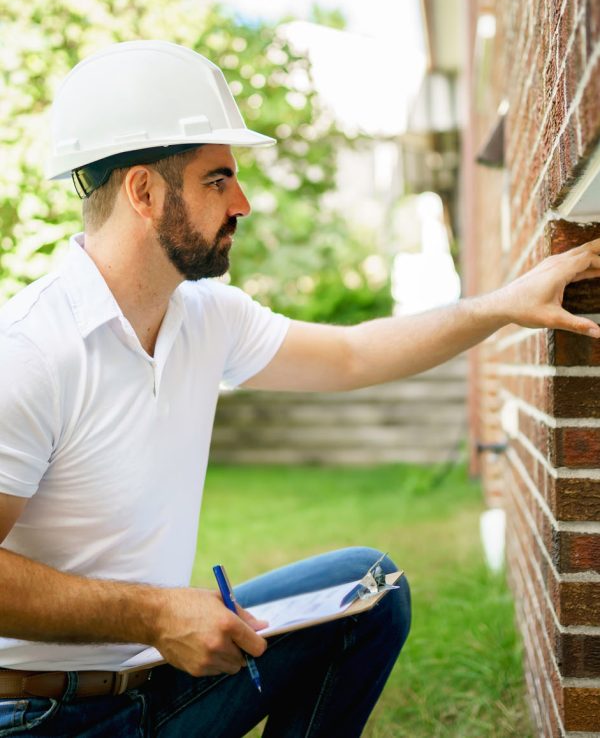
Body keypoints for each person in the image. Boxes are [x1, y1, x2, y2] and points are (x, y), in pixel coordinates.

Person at [0, 41, 598, 738]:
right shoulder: (31, 351)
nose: (243, 202)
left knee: (367, 591)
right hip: (38, 716)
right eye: (218, 180)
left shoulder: (205, 319)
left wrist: (504, 304)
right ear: (144, 191)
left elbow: (350, 353)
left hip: (161, 689)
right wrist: (158, 615)